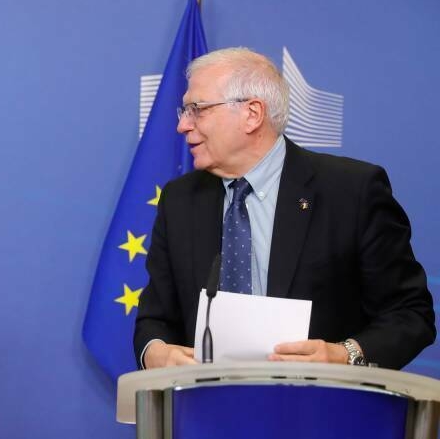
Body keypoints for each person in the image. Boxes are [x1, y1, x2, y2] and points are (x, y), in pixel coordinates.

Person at [134, 47, 435, 371]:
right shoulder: (180, 200)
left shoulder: (352, 191)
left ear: (252, 114)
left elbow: (409, 313)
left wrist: (343, 354)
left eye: (197, 109)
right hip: (208, 409)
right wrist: (156, 353)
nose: (182, 125)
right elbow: (155, 318)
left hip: (324, 409)